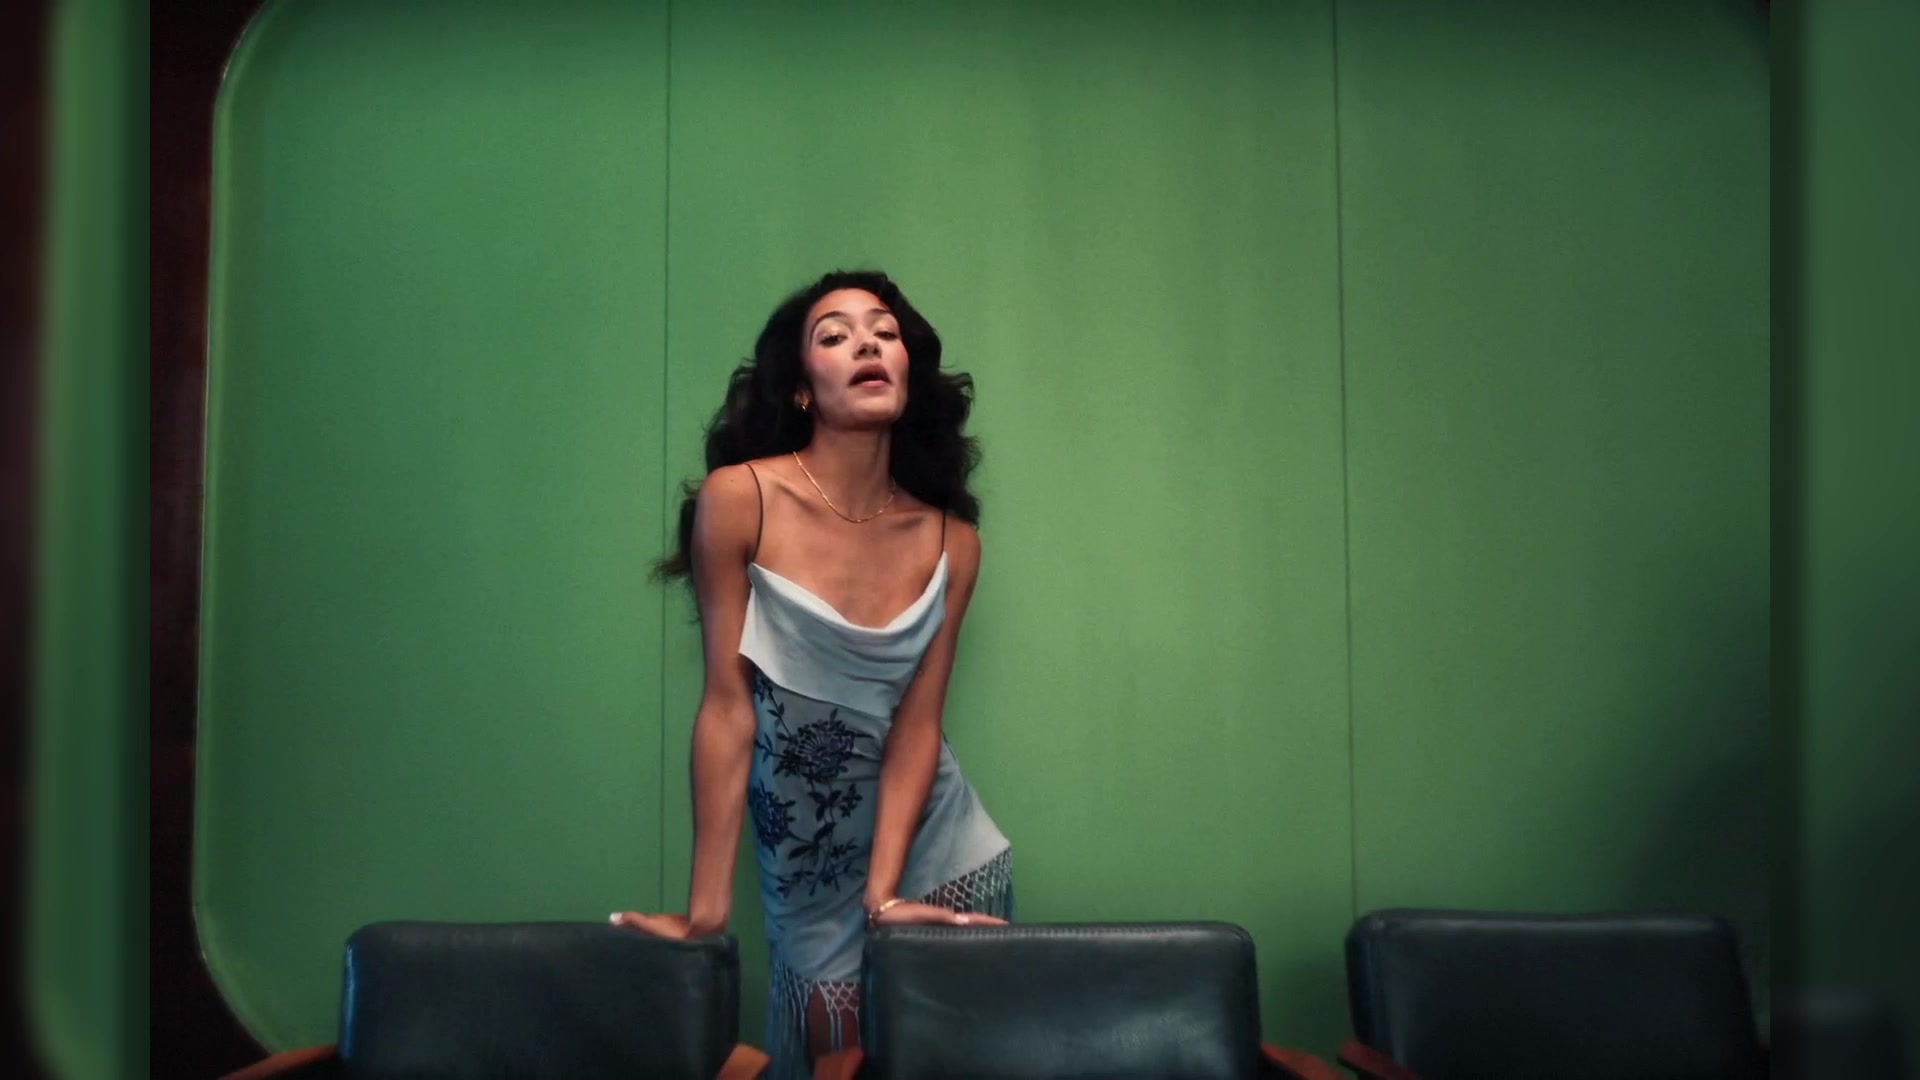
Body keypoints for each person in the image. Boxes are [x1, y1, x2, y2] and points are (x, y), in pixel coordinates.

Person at [611, 270, 1013, 1078]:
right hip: (806, 861)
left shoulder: (953, 543)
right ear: (801, 389)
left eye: (884, 332)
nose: (867, 343)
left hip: (936, 848)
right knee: (832, 1047)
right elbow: (729, 708)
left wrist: (886, 896)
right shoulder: (741, 500)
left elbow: (918, 726)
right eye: (835, 335)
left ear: (906, 372)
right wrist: (705, 913)